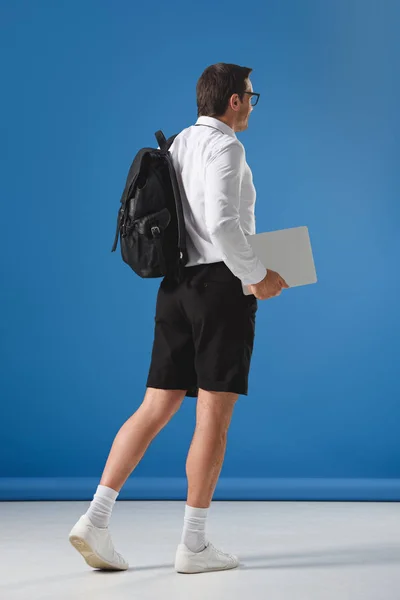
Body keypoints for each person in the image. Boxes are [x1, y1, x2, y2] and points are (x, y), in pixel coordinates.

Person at [69, 62, 289, 574]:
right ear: (233, 101)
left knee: (153, 407)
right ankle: (193, 545)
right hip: (220, 290)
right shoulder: (226, 146)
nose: (252, 106)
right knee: (212, 414)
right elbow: (221, 222)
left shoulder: (176, 145)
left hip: (175, 288)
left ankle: (94, 519)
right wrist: (256, 277)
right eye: (250, 98)